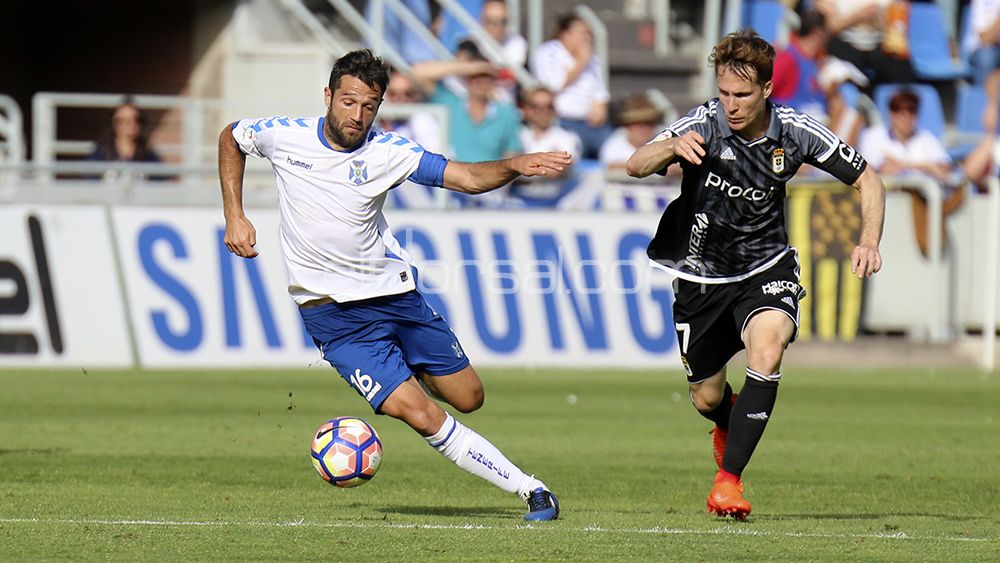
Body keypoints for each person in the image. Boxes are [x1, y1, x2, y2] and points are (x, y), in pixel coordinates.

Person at [218, 49, 570, 521]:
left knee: (470, 398)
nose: (357, 115)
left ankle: (405, 370)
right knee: (421, 414)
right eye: (348, 102)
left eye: (369, 106)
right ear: (328, 96)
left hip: (394, 297)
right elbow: (231, 136)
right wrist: (234, 214)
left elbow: (465, 177)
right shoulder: (285, 136)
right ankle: (531, 490)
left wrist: (514, 165)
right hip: (336, 320)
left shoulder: (389, 151)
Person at [626, 30, 885, 519]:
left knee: (767, 350)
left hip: (766, 266)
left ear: (767, 89)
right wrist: (671, 147)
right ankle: (728, 421)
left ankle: (727, 483)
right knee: (705, 397)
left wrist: (868, 239)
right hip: (701, 279)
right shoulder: (703, 123)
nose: (730, 104)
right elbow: (636, 164)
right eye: (724, 92)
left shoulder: (795, 131)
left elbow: (868, 179)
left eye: (742, 95)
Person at [858, 88, 961, 258]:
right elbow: (875, 172)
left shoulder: (925, 138)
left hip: (922, 204)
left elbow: (945, 168)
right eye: (898, 109)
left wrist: (903, 165)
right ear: (890, 113)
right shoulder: (873, 136)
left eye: (911, 110)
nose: (905, 116)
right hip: (888, 208)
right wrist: (927, 167)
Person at [530, 13, 612, 159]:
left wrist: (600, 108)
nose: (587, 38)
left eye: (588, 33)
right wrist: (581, 62)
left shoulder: (592, 59)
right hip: (563, 121)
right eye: (582, 33)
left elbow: (600, 90)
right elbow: (553, 84)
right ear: (565, 34)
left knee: (614, 149)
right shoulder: (547, 52)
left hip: (591, 123)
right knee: (569, 155)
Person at [814, 0, 914, 88]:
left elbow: (897, 24)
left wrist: (879, 20)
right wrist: (857, 17)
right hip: (842, 42)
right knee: (836, 72)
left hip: (880, 43)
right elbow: (826, 29)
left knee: (900, 69)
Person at [511, 86, 582, 205]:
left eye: (549, 106)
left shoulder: (567, 137)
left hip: (554, 200)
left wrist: (519, 166)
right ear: (526, 109)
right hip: (517, 199)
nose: (543, 111)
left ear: (555, 109)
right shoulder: (517, 135)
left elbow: (556, 171)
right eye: (536, 106)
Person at [89, 101, 163, 180]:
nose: (131, 124)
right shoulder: (101, 153)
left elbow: (161, 181)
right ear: (114, 123)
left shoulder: (149, 156)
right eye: (123, 120)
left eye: (136, 119)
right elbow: (89, 180)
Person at [963, 0, 1000, 84]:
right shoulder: (981, 2)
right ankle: (982, 92)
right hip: (980, 49)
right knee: (986, 57)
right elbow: (985, 39)